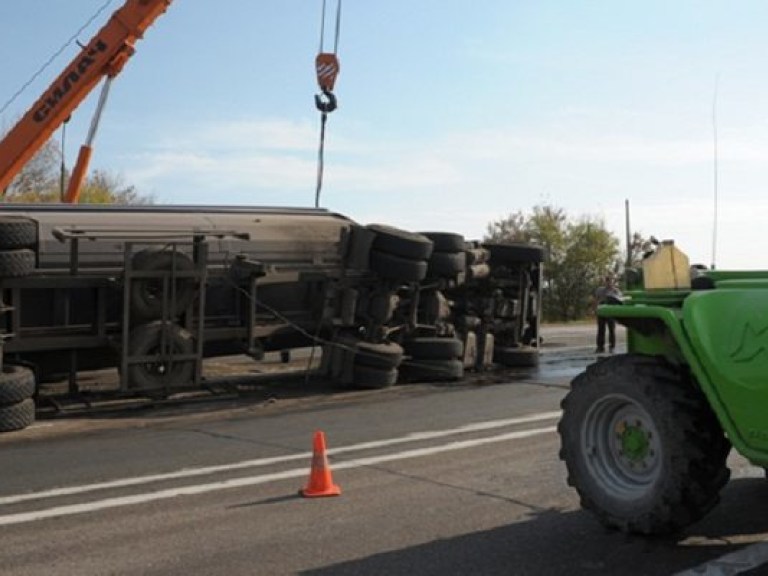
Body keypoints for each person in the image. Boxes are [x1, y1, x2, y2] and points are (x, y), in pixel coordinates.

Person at [593, 275, 623, 354]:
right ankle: (600, 347)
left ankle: (612, 347)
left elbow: (620, 302)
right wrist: (595, 309)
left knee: (612, 330)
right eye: (607, 281)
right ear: (605, 282)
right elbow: (596, 299)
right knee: (601, 330)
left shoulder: (616, 291)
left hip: (611, 312)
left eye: (610, 281)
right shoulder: (600, 290)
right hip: (602, 311)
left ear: (613, 282)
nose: (609, 283)